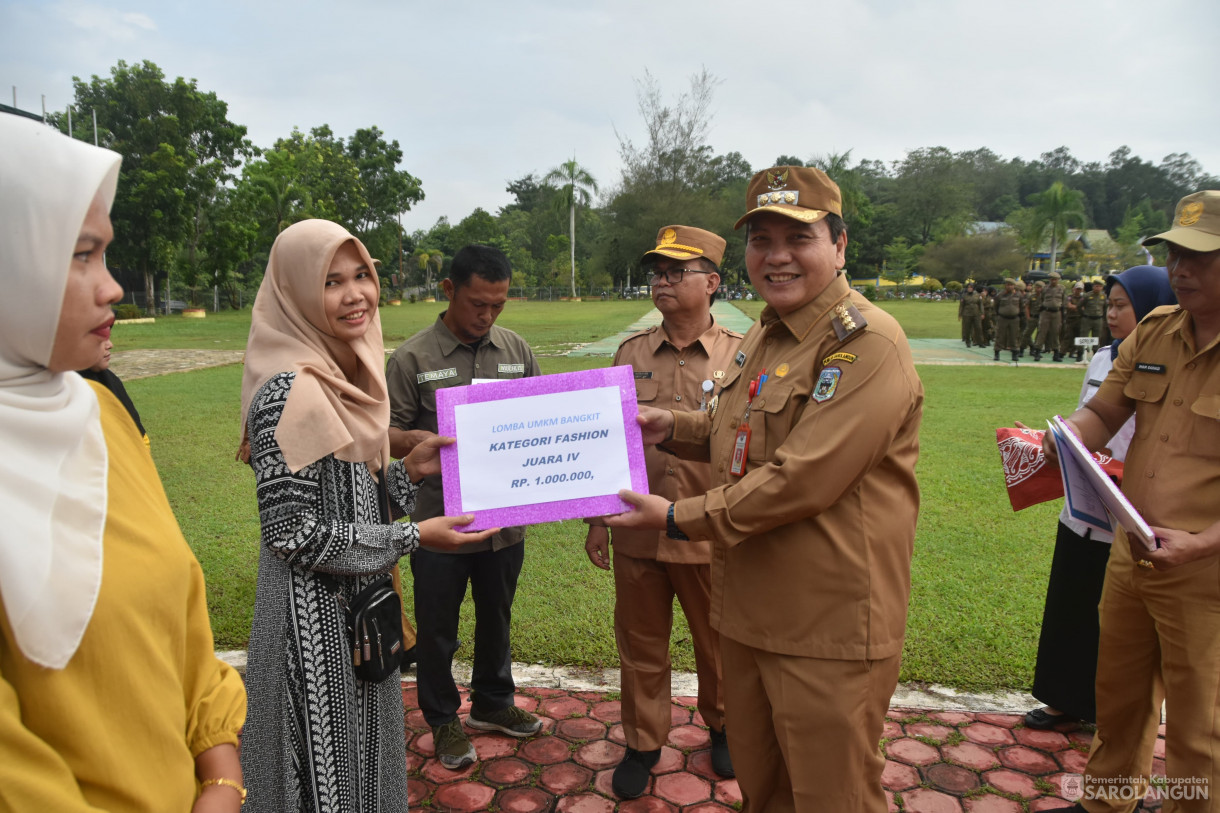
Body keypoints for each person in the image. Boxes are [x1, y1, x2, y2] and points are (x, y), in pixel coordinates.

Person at [602, 166, 924, 812]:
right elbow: (737, 430)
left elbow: (801, 478)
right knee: (764, 788)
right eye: (761, 240)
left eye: (796, 238)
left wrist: (674, 518)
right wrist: (676, 427)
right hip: (750, 612)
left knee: (834, 796)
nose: (775, 256)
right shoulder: (765, 334)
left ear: (839, 244)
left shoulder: (866, 343)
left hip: (825, 625)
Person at [0, 113, 247, 810]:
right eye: (81, 255)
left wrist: (221, 776)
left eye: (106, 254)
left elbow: (184, 618)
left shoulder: (101, 415)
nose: (113, 288)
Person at [238, 219, 495, 811]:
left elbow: (349, 497)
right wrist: (413, 535)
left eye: (362, 276)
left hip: (362, 619)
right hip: (312, 635)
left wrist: (411, 474)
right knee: (323, 779)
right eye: (331, 282)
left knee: (365, 770)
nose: (355, 295)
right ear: (296, 293)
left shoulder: (345, 377)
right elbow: (292, 534)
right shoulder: (288, 391)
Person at [1044, 190, 1220, 813]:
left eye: (1200, 257)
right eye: (1175, 255)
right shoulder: (1155, 331)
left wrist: (1201, 543)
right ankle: (1108, 803)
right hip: (1134, 552)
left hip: (1205, 571)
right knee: (1117, 696)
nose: (1181, 270)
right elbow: (1103, 412)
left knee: (1202, 726)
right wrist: (1060, 443)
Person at [584, 225, 741, 798]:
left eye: (677, 272)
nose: (662, 281)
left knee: (717, 642)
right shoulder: (631, 353)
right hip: (635, 530)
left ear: (712, 282)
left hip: (707, 528)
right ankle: (644, 742)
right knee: (640, 644)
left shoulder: (740, 356)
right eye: (657, 271)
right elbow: (603, 442)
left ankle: (722, 727)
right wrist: (599, 519)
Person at [385, 244, 544, 771]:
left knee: (497, 615)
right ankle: (443, 717)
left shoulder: (517, 349)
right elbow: (384, 436)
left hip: (504, 522)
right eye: (478, 303)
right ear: (449, 290)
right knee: (437, 625)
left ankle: (494, 703)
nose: (488, 315)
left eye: (498, 305)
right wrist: (420, 438)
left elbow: (542, 418)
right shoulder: (412, 358)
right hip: (440, 524)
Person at [1022, 265, 1175, 732]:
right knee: (1071, 602)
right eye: (1108, 304)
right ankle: (1062, 698)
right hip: (1084, 503)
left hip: (1132, 508)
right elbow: (1091, 416)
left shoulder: (1170, 364)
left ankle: (1108, 712)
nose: (1111, 314)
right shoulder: (1103, 359)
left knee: (1115, 624)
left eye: (1121, 305)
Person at [78, 337, 148, 446]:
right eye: (100, 339)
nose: (110, 345)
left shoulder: (109, 380)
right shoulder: (69, 391)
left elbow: (138, 436)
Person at [1038, 270, 1067, 361]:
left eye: (1055, 279)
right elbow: (1041, 300)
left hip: (1057, 313)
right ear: (1049, 280)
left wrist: (1063, 314)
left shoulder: (1062, 289)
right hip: (1046, 312)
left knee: (1055, 333)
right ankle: (1037, 351)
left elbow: (1063, 301)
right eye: (1052, 279)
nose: (1053, 281)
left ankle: (1056, 353)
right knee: (1042, 332)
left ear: (1058, 280)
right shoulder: (1045, 289)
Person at [1078, 279, 1108, 360]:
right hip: (1087, 319)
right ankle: (1080, 354)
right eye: (1096, 286)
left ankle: (1095, 355)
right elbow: (1079, 306)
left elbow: (1105, 308)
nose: (1098, 288)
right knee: (1083, 336)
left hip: (1098, 320)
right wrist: (1083, 314)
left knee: (1097, 338)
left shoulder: (1103, 296)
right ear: (1093, 286)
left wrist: (1103, 317)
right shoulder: (1087, 295)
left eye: (1100, 286)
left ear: (1102, 288)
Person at [994, 278, 1023, 362]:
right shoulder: (1000, 295)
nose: (1009, 287)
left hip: (1014, 319)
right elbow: (996, 306)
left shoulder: (1018, 295)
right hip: (1003, 318)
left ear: (1014, 286)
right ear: (1005, 285)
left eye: (1011, 285)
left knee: (1014, 336)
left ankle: (1014, 353)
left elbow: (1021, 306)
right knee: (1000, 336)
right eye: (1008, 285)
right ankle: (997, 353)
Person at [959, 281, 984, 347]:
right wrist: (960, 314)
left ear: (973, 288)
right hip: (967, 314)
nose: (969, 289)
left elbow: (981, 305)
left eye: (971, 287)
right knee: (967, 329)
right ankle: (968, 342)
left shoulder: (978, 295)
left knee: (978, 328)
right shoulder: (964, 296)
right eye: (968, 287)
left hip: (976, 313)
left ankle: (980, 342)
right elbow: (961, 306)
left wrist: (982, 313)